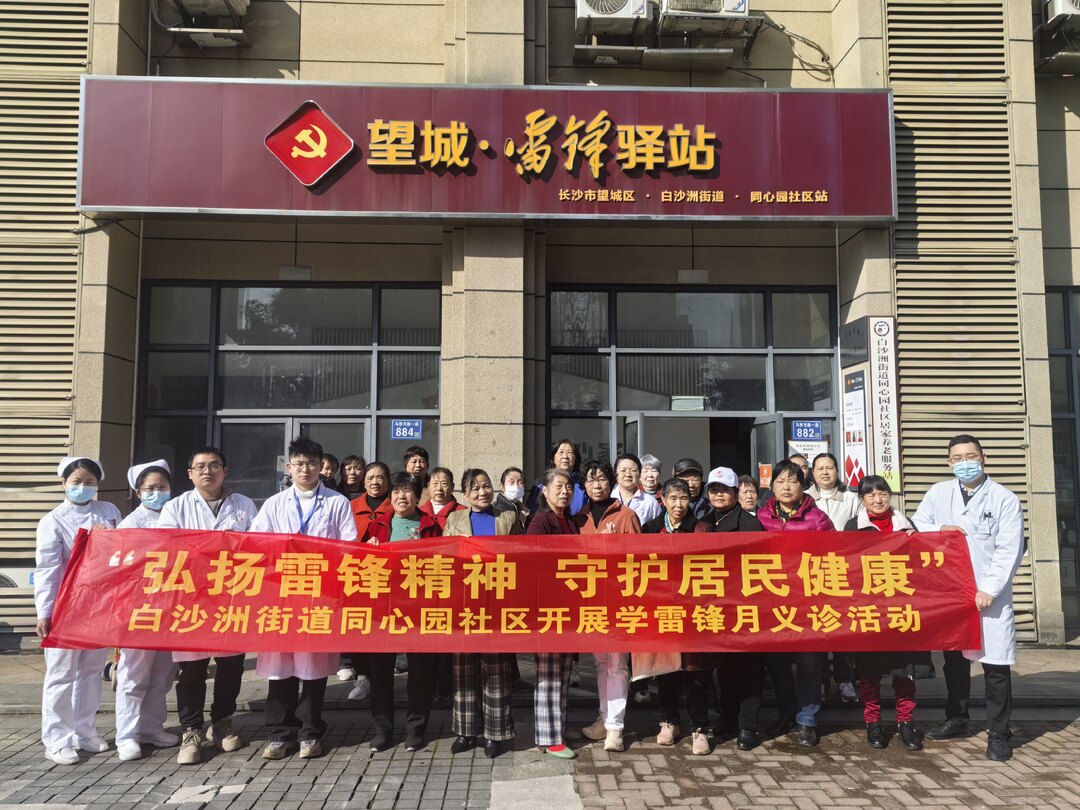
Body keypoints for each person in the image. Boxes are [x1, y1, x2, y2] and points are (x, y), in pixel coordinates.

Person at [912, 434, 1024, 762]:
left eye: (971, 456)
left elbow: (1009, 549)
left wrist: (990, 589)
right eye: (958, 458)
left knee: (996, 665)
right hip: (952, 591)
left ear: (983, 458)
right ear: (949, 462)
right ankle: (957, 719)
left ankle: (999, 733)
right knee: (955, 661)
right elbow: (917, 523)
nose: (965, 463)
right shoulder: (939, 492)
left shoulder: (1004, 499)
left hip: (990, 596)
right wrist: (941, 528)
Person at [252, 438, 357, 761]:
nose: (306, 469)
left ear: (321, 467)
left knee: (313, 668)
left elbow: (348, 545)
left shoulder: (337, 502)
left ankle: (310, 732)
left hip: (319, 596)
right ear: (289, 467)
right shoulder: (274, 504)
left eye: (312, 463)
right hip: (282, 597)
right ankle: (279, 733)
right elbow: (257, 543)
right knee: (280, 667)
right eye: (299, 464)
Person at [158, 446, 258, 765]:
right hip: (191, 599)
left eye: (214, 465)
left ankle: (222, 722)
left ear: (224, 471)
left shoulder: (243, 505)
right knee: (192, 669)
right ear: (190, 474)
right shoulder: (175, 507)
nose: (207, 471)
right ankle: (191, 730)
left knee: (231, 666)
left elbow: (257, 546)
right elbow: (166, 549)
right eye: (200, 466)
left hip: (232, 597)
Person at [36, 457, 121, 765]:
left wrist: (107, 538)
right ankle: (56, 739)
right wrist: (44, 611)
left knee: (90, 671)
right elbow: (47, 568)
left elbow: (122, 553)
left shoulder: (109, 511)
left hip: (98, 605)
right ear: (64, 483)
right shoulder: (52, 521)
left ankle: (84, 731)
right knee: (61, 673)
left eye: (90, 482)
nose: (83, 487)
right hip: (65, 605)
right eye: (77, 482)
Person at [362, 472, 441, 751]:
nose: (401, 496)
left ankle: (415, 729)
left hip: (420, 609)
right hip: (383, 608)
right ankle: (382, 730)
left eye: (407, 490)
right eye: (396, 491)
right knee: (380, 671)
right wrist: (367, 549)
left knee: (420, 672)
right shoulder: (378, 525)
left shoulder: (431, 526)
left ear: (418, 496)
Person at [757, 458, 834, 747]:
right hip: (772, 602)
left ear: (803, 486)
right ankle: (787, 713)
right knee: (777, 663)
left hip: (807, 602)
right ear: (772, 486)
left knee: (809, 663)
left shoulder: (818, 519)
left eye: (792, 481)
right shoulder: (761, 518)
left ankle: (807, 719)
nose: (786, 487)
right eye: (780, 481)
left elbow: (835, 558)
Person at [445, 468, 521, 758]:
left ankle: (495, 734)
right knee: (464, 670)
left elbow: (522, 554)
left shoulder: (508, 517)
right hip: (465, 603)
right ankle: (466, 733)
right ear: (465, 495)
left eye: (486, 486)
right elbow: (444, 558)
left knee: (497, 670)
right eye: (475, 488)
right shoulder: (454, 520)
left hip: (498, 602)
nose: (482, 492)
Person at [843, 475, 922, 751]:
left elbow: (921, 566)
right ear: (862, 499)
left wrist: (917, 542)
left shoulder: (906, 525)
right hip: (870, 611)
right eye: (871, 495)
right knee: (869, 673)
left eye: (882, 493)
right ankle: (873, 722)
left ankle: (905, 722)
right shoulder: (853, 527)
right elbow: (845, 567)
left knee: (904, 674)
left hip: (901, 610)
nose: (878, 499)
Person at [114, 460, 180, 762]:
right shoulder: (130, 524)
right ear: (138, 492)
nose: (157, 492)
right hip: (140, 608)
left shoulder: (177, 515)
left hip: (172, 606)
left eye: (162, 487)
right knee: (134, 674)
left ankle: (152, 727)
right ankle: (127, 735)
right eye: (150, 488)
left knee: (163, 672)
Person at [575, 460, 641, 753]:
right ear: (584, 486)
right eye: (591, 480)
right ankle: (604, 718)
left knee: (617, 664)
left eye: (601, 479)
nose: (597, 485)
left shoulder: (627, 516)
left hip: (619, 600)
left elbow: (641, 561)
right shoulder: (578, 519)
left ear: (610, 482)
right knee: (601, 663)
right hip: (590, 602)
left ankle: (616, 727)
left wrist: (614, 546)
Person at [642, 478, 711, 752]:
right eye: (673, 498)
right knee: (666, 669)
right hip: (663, 608)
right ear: (663, 499)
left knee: (696, 673)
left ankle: (700, 728)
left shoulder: (702, 529)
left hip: (694, 610)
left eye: (683, 498)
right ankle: (669, 721)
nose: (679, 504)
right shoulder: (650, 529)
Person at [704, 467, 764, 752]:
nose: (719, 494)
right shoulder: (704, 523)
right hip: (714, 608)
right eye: (714, 489)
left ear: (735, 493)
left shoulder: (751, 525)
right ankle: (728, 717)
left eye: (724, 490)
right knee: (724, 668)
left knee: (748, 669)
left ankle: (748, 725)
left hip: (744, 606)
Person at [524, 468, 579, 759]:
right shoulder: (540, 520)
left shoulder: (570, 520)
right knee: (548, 673)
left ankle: (559, 727)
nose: (564, 491)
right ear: (544, 491)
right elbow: (535, 562)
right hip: (545, 607)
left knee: (564, 670)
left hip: (567, 606)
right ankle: (547, 738)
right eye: (558, 486)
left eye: (568, 486)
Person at [806, 453, 861, 704]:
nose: (825, 472)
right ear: (813, 472)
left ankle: (846, 680)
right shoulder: (805, 498)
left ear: (838, 471)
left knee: (843, 628)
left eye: (830, 467)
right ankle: (820, 680)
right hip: (813, 570)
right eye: (820, 468)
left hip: (844, 570)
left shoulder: (851, 498)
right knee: (818, 627)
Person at [525, 439, 587, 516]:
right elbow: (531, 511)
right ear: (553, 458)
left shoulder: (583, 483)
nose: (565, 456)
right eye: (561, 452)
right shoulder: (541, 483)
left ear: (575, 459)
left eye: (569, 452)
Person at [612, 452, 662, 526]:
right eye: (623, 470)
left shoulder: (650, 502)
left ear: (639, 475)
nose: (628, 474)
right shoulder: (608, 498)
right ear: (616, 474)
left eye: (633, 470)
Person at [419, 466, 467, 531]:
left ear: (452, 487)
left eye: (444, 484)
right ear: (429, 486)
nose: (439, 488)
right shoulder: (419, 512)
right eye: (435, 484)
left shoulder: (463, 512)